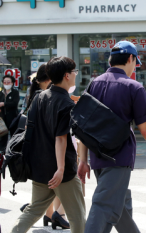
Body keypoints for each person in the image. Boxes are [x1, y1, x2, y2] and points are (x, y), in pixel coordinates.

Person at [77, 41, 146, 233]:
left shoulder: (93, 84)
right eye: (135, 62)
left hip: (97, 157)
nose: (134, 67)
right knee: (103, 205)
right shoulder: (134, 87)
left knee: (118, 206)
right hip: (119, 157)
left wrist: (82, 159)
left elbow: (82, 126)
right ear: (131, 59)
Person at [10, 56, 86, 233]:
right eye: (74, 71)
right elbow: (61, 138)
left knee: (33, 210)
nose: (76, 74)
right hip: (62, 171)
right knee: (77, 217)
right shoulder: (65, 104)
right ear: (67, 75)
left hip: (39, 166)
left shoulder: (40, 96)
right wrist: (60, 169)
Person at [19, 64, 70, 229]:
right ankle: (57, 215)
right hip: (51, 153)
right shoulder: (48, 97)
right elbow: (59, 136)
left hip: (38, 155)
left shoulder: (36, 96)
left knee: (38, 202)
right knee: (68, 198)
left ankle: (50, 215)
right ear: (49, 79)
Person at [0, 75, 20, 150]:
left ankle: (12, 152)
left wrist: (3, 104)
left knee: (13, 136)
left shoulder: (15, 92)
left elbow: (14, 103)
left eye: (8, 82)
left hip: (12, 117)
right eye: (5, 82)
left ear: (12, 83)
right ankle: (2, 153)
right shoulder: (1, 93)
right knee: (2, 137)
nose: (6, 83)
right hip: (2, 118)